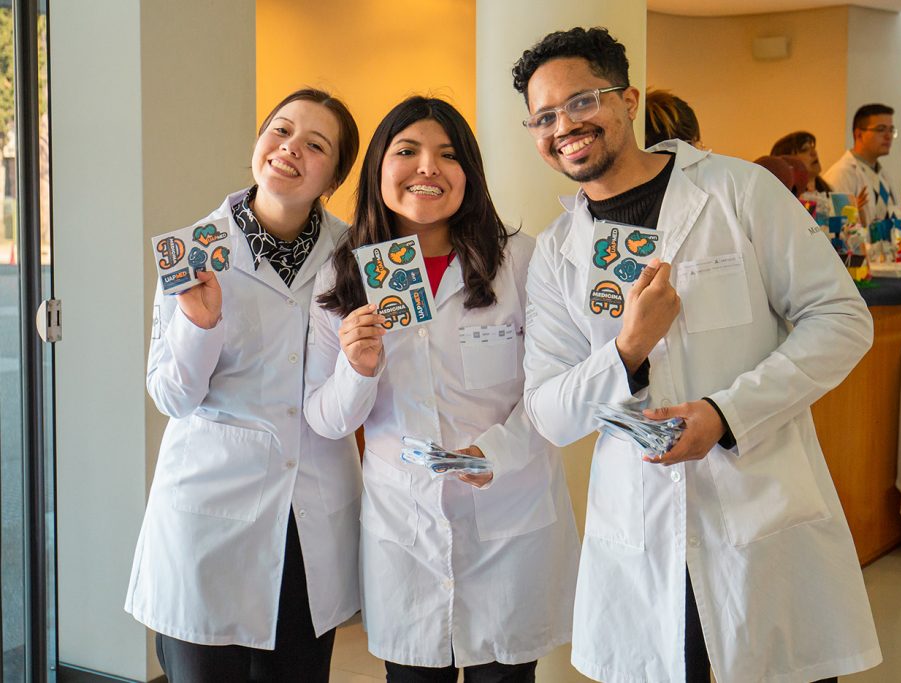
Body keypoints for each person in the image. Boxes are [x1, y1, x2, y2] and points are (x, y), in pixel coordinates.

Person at [511, 27, 881, 683]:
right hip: (641, 525)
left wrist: (724, 413)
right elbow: (549, 411)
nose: (563, 126)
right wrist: (629, 348)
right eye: (543, 117)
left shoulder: (738, 191)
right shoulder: (557, 250)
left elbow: (842, 318)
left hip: (756, 507)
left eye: (581, 102)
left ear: (628, 99)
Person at [304, 96, 579, 683]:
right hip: (405, 527)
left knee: (505, 675)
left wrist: (495, 454)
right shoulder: (342, 273)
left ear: (469, 175)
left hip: (508, 515)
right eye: (407, 151)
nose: (427, 167)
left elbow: (553, 389)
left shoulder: (520, 263)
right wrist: (357, 366)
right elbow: (326, 419)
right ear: (379, 167)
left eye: (447, 155)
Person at [125, 88, 362, 683]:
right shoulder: (194, 249)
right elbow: (172, 396)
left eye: (315, 145)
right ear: (259, 141)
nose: (290, 150)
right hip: (210, 514)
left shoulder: (356, 255)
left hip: (309, 516)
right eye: (280, 131)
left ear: (333, 174)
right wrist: (200, 323)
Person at [822, 104, 899, 225]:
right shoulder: (842, 173)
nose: (888, 136)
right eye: (880, 129)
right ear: (859, 134)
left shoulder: (883, 175)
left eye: (891, 130)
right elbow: (839, 229)